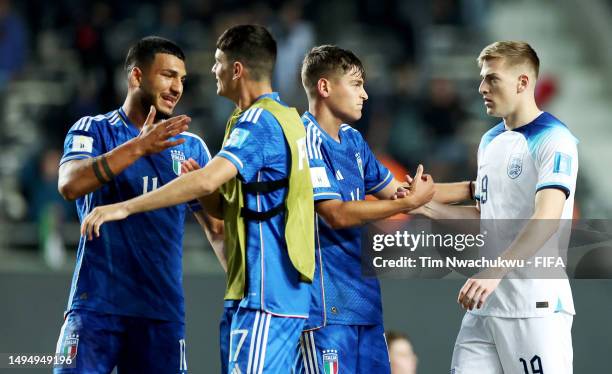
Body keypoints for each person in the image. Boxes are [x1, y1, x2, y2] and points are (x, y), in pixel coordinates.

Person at [80, 25, 316, 373]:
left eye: (218, 62)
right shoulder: (288, 119)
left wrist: (122, 207)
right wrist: (203, 194)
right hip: (274, 292)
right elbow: (232, 206)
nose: (212, 70)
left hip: (265, 293)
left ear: (237, 69)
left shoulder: (257, 121)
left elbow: (207, 179)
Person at [54, 36, 223, 373]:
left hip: (161, 313)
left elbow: (217, 229)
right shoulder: (94, 129)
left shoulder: (191, 147)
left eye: (181, 80)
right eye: (167, 75)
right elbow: (70, 185)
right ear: (136, 77)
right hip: (95, 308)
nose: (177, 87)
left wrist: (211, 197)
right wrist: (138, 147)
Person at [413, 41, 578, 373]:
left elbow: (546, 217)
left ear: (522, 82)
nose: (481, 87)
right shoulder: (489, 142)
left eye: (492, 78)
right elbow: (484, 216)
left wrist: (494, 271)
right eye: (481, 78)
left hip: (535, 307)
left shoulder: (555, 139)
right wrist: (423, 206)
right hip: (486, 307)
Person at [294, 45, 435, 374]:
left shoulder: (353, 141)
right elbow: (335, 213)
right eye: (356, 84)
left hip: (365, 305)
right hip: (325, 310)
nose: (365, 95)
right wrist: (406, 203)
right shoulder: (304, 140)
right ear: (325, 87)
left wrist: (477, 189)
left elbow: (405, 192)